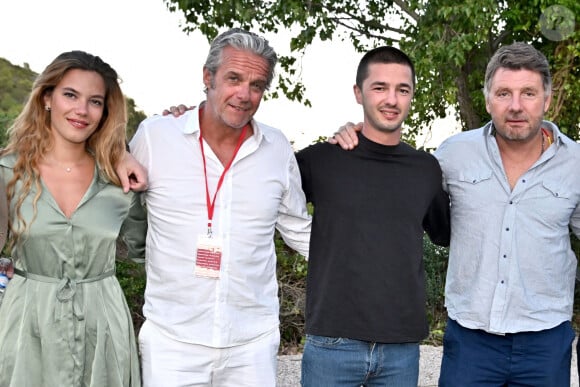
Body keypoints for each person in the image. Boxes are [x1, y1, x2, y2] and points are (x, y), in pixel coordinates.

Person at [332, 42, 580, 386]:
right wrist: (360, 139)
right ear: (487, 98)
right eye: (504, 93)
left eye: (529, 93)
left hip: (546, 342)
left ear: (547, 100)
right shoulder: (454, 154)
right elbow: (395, 182)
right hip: (471, 342)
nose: (516, 106)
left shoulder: (575, 163)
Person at [128, 28, 311, 386]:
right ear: (207, 77)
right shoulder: (156, 136)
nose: (244, 94)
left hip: (252, 345)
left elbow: (299, 230)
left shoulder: (276, 148)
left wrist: (369, 268)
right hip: (171, 343)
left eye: (257, 85)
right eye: (234, 78)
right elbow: (111, 197)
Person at [295, 46, 450, 386]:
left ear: (411, 96)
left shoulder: (425, 169)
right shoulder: (321, 160)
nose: (391, 99)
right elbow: (255, 186)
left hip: (401, 348)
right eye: (379, 87)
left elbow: (447, 234)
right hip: (332, 343)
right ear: (358, 93)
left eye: (402, 89)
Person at [0, 50, 146, 386]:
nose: (82, 110)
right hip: (27, 326)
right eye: (70, 95)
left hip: (104, 327)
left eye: (95, 101)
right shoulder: (7, 172)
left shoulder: (121, 180)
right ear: (47, 98)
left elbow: (149, 255)